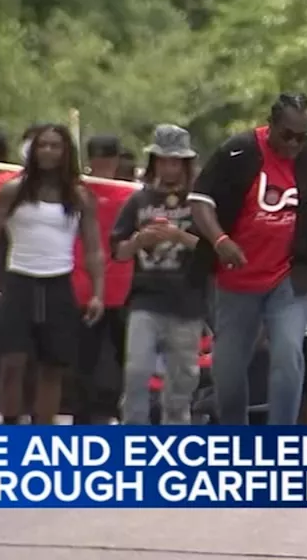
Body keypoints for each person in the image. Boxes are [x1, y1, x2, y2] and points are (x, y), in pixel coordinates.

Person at [187, 93, 307, 425]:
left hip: (290, 277)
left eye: (303, 136)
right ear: (271, 124)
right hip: (236, 279)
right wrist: (220, 240)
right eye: (287, 135)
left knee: (288, 353)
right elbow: (200, 201)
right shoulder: (239, 151)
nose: (294, 144)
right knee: (227, 372)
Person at [0, 125, 106, 425]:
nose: (48, 151)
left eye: (55, 146)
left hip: (58, 283)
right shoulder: (14, 190)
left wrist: (98, 292)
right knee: (12, 362)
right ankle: (10, 427)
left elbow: (94, 248)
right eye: (42, 145)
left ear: (65, 152)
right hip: (20, 280)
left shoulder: (79, 196)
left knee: (52, 367)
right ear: (33, 151)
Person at [111, 125, 203, 425]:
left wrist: (179, 236)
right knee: (136, 372)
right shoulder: (138, 201)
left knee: (182, 382)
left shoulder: (199, 204)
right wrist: (139, 241)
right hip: (145, 300)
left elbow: (214, 249)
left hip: (187, 302)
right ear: (154, 163)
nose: (169, 167)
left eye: (175, 161)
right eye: (163, 160)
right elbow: (118, 251)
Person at [71, 135, 136, 425]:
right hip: (87, 284)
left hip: (121, 285)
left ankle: (119, 413)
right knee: (89, 357)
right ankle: (87, 416)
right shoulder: (77, 191)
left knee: (122, 357)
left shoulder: (132, 194)